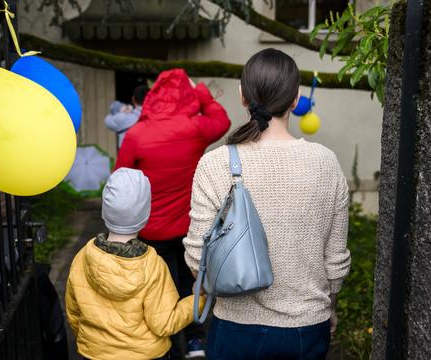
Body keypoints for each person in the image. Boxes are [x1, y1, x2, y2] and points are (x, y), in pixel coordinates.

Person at [183, 48, 351, 360]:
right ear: (296, 98)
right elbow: (335, 260)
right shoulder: (327, 163)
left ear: (242, 96)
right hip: (308, 326)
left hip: (235, 327)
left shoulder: (215, 164)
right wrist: (331, 306)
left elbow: (197, 258)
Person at [114, 68, 231, 359]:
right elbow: (223, 120)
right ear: (186, 95)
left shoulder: (137, 134)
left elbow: (121, 179)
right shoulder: (196, 128)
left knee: (156, 286)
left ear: (153, 97)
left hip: (149, 230)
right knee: (189, 282)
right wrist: (201, 91)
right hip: (189, 227)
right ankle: (194, 342)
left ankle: (162, 345)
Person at [65, 168, 205, 360]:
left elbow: (74, 312)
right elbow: (164, 323)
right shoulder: (153, 264)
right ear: (144, 215)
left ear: (105, 212)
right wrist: (199, 299)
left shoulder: (83, 257)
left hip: (95, 354)